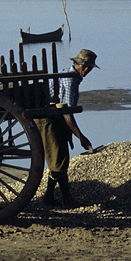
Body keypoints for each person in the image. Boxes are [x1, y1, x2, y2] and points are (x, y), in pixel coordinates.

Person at [34, 48, 99, 209]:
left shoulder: (71, 76)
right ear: (81, 66)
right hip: (47, 119)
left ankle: (49, 197)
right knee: (58, 158)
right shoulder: (69, 80)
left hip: (54, 117)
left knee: (60, 158)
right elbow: (67, 113)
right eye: (88, 67)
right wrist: (80, 137)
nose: (88, 71)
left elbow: (64, 112)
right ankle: (66, 199)